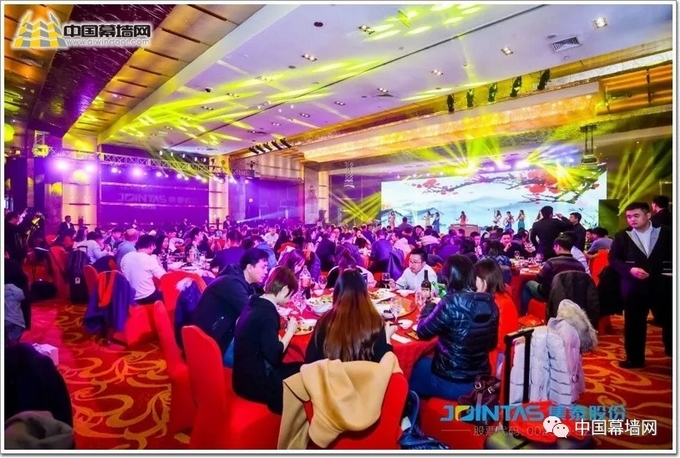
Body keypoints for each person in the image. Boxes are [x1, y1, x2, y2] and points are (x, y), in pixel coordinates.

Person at [410, 255, 499, 400]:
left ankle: (413, 409)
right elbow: (491, 345)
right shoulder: (491, 304)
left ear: (448, 278)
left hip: (452, 381)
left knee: (413, 367)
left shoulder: (450, 302)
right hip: (480, 379)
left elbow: (422, 332)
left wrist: (429, 305)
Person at [608, 202, 672, 368]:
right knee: (633, 323)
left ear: (648, 215)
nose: (632, 220)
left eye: (636, 216)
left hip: (663, 284)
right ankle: (635, 358)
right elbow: (613, 260)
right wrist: (630, 270)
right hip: (634, 285)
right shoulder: (622, 236)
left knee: (670, 320)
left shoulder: (666, 232)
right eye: (629, 217)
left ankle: (672, 351)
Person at [232, 267, 301, 414]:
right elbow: (275, 356)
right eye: (291, 295)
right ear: (284, 290)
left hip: (241, 376)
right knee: (305, 369)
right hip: (256, 383)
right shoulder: (268, 314)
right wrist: (290, 331)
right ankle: (294, 417)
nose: (290, 300)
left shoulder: (254, 301)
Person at [190, 248, 269, 368]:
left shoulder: (244, 282)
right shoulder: (232, 283)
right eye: (263, 267)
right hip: (212, 344)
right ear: (249, 267)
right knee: (264, 360)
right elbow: (252, 314)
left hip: (221, 334)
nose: (266, 271)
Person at [305, 269, 397, 364]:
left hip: (333, 373)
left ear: (337, 292)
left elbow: (310, 362)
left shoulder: (325, 321)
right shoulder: (374, 320)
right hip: (364, 373)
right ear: (365, 293)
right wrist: (387, 338)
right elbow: (384, 365)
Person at [520, 234, 585, 316]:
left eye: (554, 247)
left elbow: (539, 278)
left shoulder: (552, 262)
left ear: (558, 247)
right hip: (572, 296)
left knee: (528, 284)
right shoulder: (580, 265)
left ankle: (524, 313)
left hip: (550, 294)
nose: (554, 249)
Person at [474, 259, 519, 354]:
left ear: (485, 282)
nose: (473, 283)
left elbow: (500, 343)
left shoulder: (498, 304)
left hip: (498, 355)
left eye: (475, 279)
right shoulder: (498, 296)